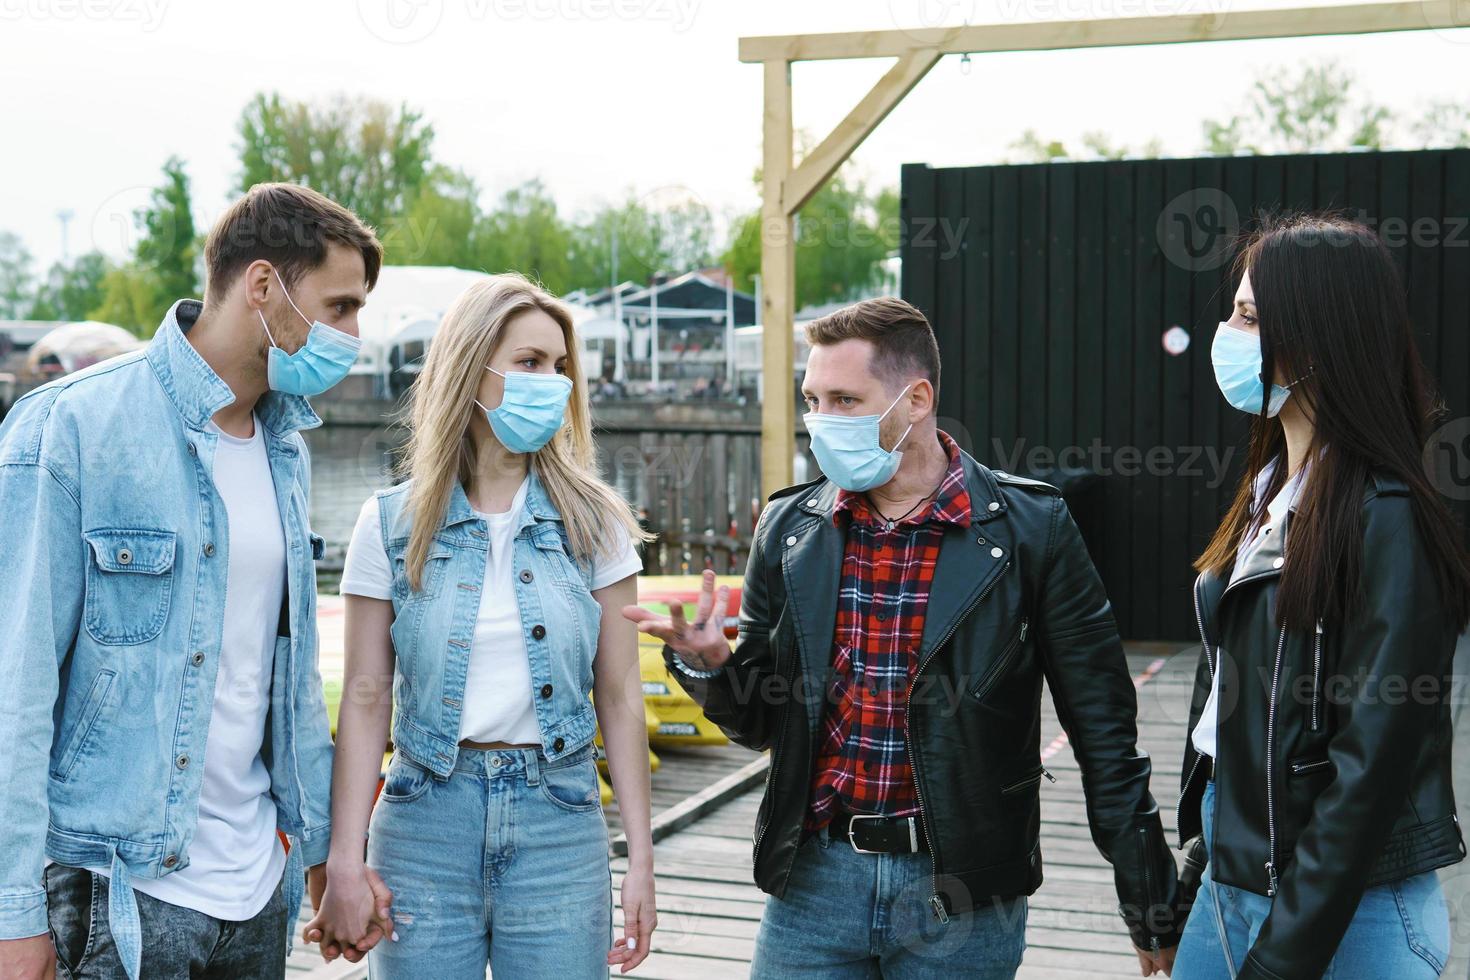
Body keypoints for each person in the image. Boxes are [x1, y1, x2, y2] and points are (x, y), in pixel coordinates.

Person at [625, 297, 1180, 978]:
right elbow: (766, 723)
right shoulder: (790, 530)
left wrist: (1149, 895)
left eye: (845, 400)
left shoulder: (1032, 530)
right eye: (813, 398)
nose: (821, 421)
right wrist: (713, 665)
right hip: (815, 882)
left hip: (964, 891)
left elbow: (1103, 730)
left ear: (916, 400)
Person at [0, 183, 384, 980]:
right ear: (264, 287)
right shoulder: (71, 426)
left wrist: (318, 855)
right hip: (114, 893)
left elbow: (284, 674)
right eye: (341, 306)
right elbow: (15, 689)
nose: (354, 335)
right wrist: (12, 913)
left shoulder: (286, 448)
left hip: (255, 894)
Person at [307, 272, 658, 978]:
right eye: (529, 363)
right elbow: (367, 700)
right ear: (471, 370)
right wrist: (346, 860)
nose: (551, 383)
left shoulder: (597, 525)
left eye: (559, 367)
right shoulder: (390, 525)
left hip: (559, 822)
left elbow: (619, 696)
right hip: (423, 822)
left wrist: (641, 861)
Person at [1172, 213, 1470, 980]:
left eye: (1247, 316)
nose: (1227, 333)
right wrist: (1200, 855)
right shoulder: (1269, 486)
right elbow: (1228, 703)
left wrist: (1286, 957)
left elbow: (1369, 767)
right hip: (1232, 872)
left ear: (1314, 336)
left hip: (1346, 907)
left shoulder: (1389, 515)